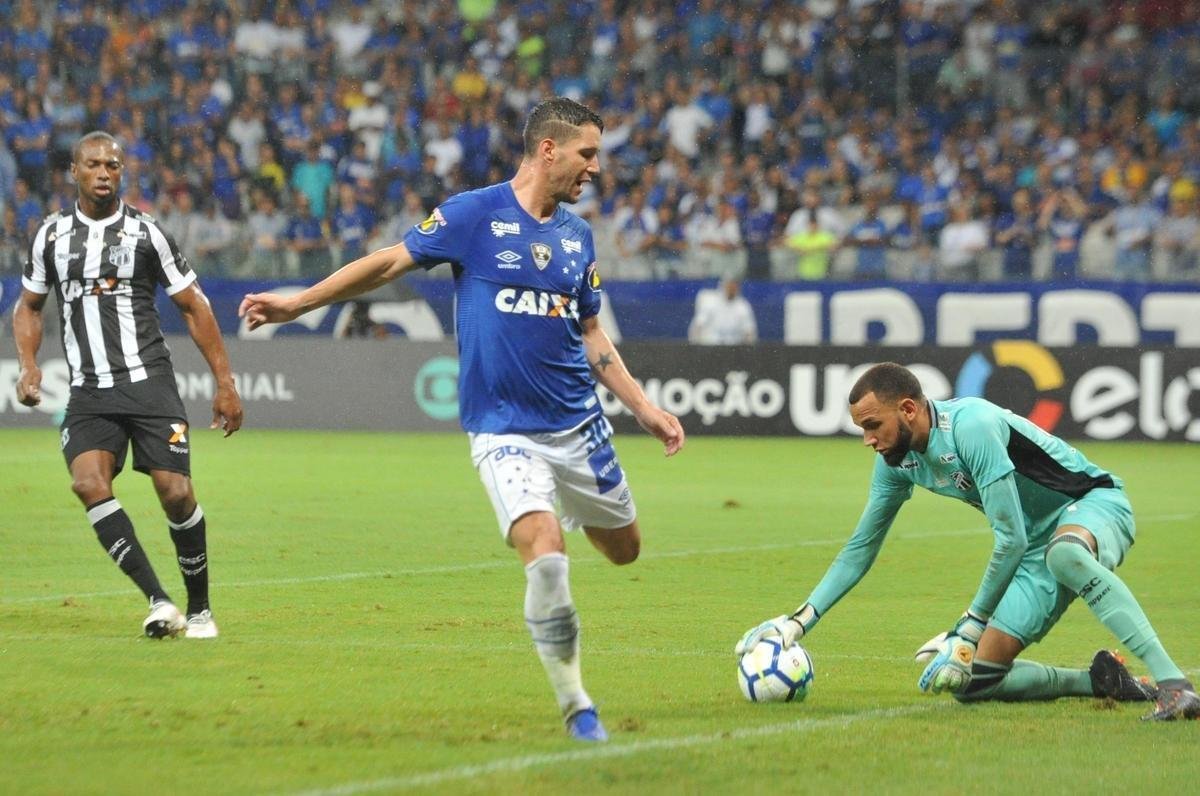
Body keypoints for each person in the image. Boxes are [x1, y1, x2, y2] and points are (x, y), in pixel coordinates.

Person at [239, 98, 685, 741]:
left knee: (625, 550)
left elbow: (591, 334)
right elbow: (390, 260)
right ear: (549, 150)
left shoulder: (575, 236)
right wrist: (299, 303)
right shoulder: (473, 214)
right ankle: (576, 704)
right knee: (547, 555)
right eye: (587, 154)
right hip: (502, 429)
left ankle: (562, 504)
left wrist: (645, 409)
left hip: (578, 428)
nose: (596, 169)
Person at [736, 362, 1198, 721]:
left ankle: (1175, 685)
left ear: (909, 409)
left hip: (1092, 506)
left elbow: (1010, 538)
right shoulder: (897, 463)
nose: (868, 440)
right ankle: (1101, 681)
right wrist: (799, 623)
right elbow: (861, 548)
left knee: (1065, 555)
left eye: (873, 425)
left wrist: (967, 629)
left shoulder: (970, 425)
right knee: (974, 682)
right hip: (1037, 548)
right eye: (862, 429)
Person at [12, 131, 243, 639]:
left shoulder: (146, 234)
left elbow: (194, 306)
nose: (103, 173)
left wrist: (224, 382)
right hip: (89, 392)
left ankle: (200, 608)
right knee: (88, 483)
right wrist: (28, 363)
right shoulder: (50, 236)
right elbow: (29, 306)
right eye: (92, 164)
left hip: (150, 385)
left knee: (175, 492)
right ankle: (160, 601)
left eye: (112, 166)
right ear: (74, 172)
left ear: (122, 173)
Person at [687, 276, 758, 345]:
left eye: (734, 286)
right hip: (709, 347)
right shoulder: (710, 302)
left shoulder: (743, 306)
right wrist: (695, 347)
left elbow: (750, 331)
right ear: (724, 286)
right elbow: (698, 326)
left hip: (734, 349)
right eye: (730, 286)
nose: (732, 289)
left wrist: (748, 350)